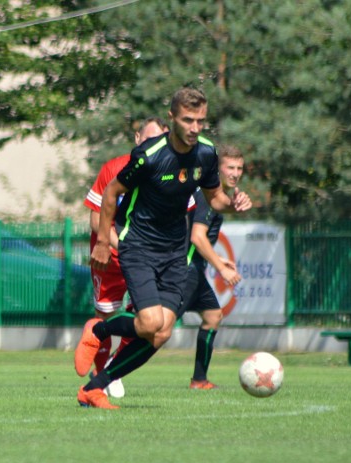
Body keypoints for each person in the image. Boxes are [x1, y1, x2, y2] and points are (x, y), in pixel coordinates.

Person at [74, 87, 252, 409]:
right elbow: (112, 192)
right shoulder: (148, 155)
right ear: (172, 119)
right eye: (188, 120)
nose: (195, 128)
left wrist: (233, 203)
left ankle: (94, 388)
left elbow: (215, 199)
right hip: (138, 246)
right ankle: (99, 329)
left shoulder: (207, 154)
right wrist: (102, 241)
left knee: (161, 332)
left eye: (200, 120)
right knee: (150, 323)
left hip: (174, 252)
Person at [82, 116, 170, 398]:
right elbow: (97, 221)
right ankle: (99, 379)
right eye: (147, 139)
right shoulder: (114, 169)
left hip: (144, 259)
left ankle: (112, 369)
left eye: (158, 141)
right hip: (109, 256)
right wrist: (123, 246)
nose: (151, 146)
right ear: (136, 138)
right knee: (103, 316)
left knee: (147, 320)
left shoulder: (166, 173)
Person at [177, 144, 245, 389]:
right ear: (218, 169)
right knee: (156, 330)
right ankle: (108, 355)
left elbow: (197, 238)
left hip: (194, 267)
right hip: (184, 270)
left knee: (212, 315)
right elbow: (197, 237)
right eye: (230, 167)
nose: (235, 173)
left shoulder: (218, 197)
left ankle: (199, 380)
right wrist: (222, 268)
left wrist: (217, 259)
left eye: (239, 168)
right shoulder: (207, 195)